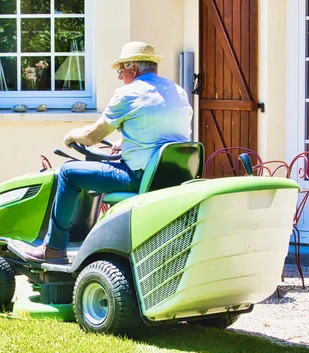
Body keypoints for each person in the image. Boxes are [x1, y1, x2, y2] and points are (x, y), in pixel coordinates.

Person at [25, 41, 193, 263]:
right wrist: (124, 142)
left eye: (121, 70)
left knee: (68, 173)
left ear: (133, 68)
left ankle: (54, 248)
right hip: (172, 176)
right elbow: (162, 131)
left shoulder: (129, 93)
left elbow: (93, 136)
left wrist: (72, 135)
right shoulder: (177, 91)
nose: (119, 77)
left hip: (139, 177)